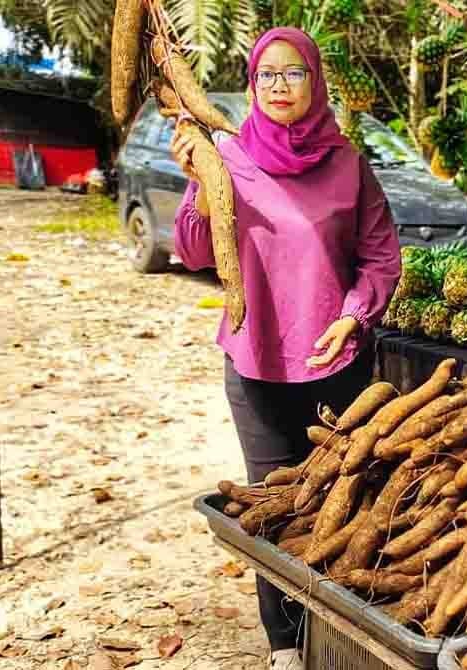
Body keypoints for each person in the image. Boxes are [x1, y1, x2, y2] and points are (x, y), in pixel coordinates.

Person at [170, 27, 401, 670]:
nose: (278, 86)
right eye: (266, 75)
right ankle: (284, 646)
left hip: (338, 366)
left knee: (341, 495)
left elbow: (381, 256)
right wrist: (196, 183)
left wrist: (355, 316)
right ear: (251, 84)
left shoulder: (348, 163)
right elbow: (192, 251)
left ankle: (341, 635)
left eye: (292, 73)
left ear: (315, 81)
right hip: (258, 364)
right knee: (273, 502)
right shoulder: (228, 155)